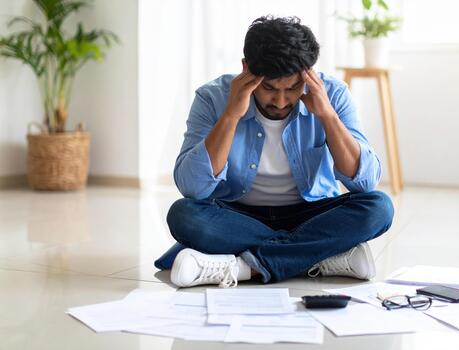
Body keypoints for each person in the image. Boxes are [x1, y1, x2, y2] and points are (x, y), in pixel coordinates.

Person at [154, 15, 394, 288]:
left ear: (309, 73)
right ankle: (313, 256)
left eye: (292, 88)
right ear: (246, 68)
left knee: (379, 208)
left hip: (311, 214)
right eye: (269, 88)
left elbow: (364, 181)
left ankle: (244, 267)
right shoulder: (213, 97)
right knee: (184, 215)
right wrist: (231, 115)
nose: (281, 101)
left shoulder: (333, 95)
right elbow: (192, 187)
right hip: (237, 216)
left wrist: (327, 116)